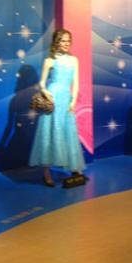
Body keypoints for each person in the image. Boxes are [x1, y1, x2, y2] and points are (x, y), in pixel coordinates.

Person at [29, 29, 86, 186]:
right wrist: (45, 91)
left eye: (68, 41)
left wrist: (73, 101)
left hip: (66, 100)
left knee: (68, 132)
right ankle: (46, 173)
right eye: (63, 41)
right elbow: (42, 83)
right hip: (53, 99)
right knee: (48, 133)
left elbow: (76, 82)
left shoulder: (74, 60)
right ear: (56, 42)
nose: (66, 44)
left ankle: (74, 168)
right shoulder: (49, 61)